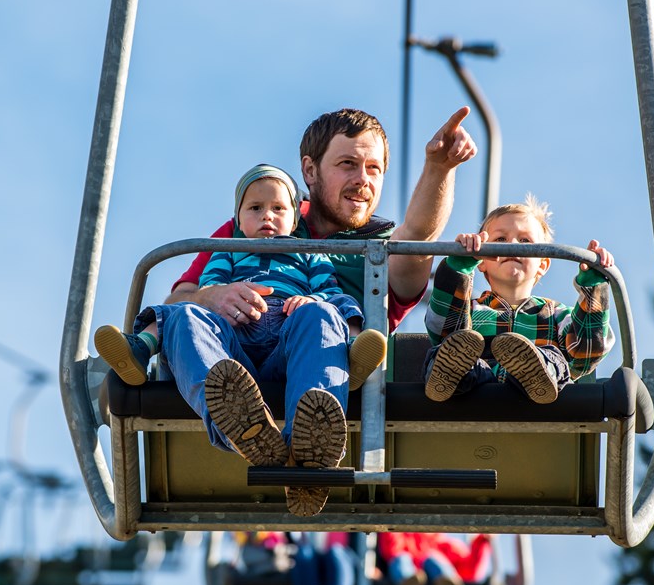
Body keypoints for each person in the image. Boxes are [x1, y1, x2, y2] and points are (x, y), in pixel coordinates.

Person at [156, 108, 479, 516]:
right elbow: (178, 302)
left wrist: (439, 167)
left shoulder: (382, 247)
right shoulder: (266, 214)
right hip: (236, 350)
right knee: (183, 319)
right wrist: (214, 296)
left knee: (321, 314)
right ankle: (241, 424)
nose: (362, 180)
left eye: (374, 169)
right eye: (347, 165)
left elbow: (419, 234)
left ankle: (313, 443)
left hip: (313, 355)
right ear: (310, 170)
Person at [93, 164, 387, 516]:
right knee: (184, 315)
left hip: (287, 340)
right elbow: (207, 291)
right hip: (233, 343)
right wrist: (222, 293)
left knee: (324, 314)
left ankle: (316, 430)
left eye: (278, 208)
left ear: (295, 218)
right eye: (255, 208)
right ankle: (237, 417)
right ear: (237, 219)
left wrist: (312, 301)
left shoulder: (309, 252)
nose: (267, 216)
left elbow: (329, 290)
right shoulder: (228, 250)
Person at [422, 195, 616, 404]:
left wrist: (593, 285)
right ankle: (452, 374)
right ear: (482, 261)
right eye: (500, 240)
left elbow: (585, 353)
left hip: (536, 401)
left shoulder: (557, 314)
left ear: (542, 264)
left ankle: (536, 371)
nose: (512, 246)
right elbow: (442, 329)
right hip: (476, 394)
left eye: (525, 241)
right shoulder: (470, 309)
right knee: (455, 345)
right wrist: (458, 266)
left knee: (554, 358)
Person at [377, 531, 492, 585]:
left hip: (430, 571)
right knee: (401, 559)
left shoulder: (439, 544)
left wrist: (482, 541)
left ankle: (448, 583)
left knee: (432, 559)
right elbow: (390, 549)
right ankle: (408, 584)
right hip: (407, 569)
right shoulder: (399, 536)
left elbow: (469, 570)